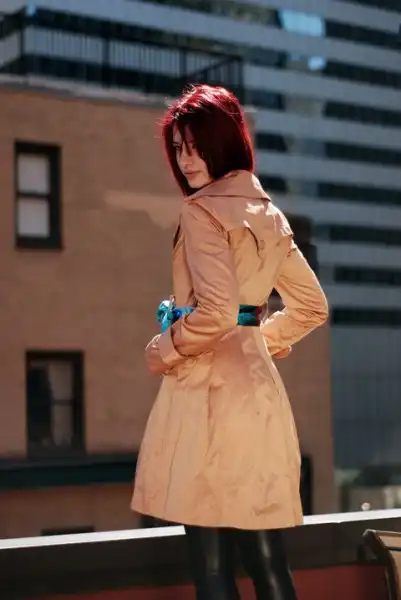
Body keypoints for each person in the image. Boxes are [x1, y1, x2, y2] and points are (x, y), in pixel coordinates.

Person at [131, 84, 329, 600]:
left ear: (224, 142)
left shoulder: (201, 211)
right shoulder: (270, 214)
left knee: (212, 566)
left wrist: (162, 349)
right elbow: (312, 307)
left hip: (208, 399)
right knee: (267, 560)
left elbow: (216, 312)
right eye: (179, 147)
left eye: (197, 146)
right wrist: (258, 339)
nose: (186, 159)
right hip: (259, 395)